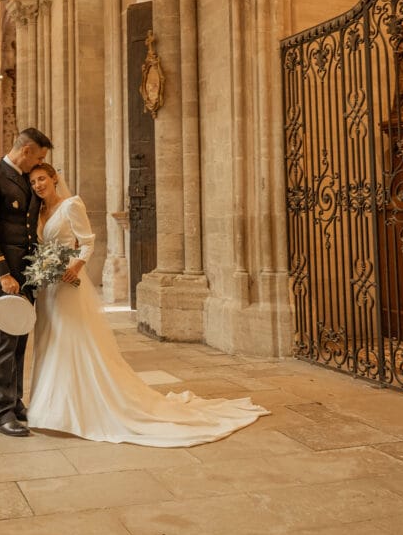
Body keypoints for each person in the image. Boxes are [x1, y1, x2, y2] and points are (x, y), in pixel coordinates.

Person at [26, 163, 270, 446]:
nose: (37, 185)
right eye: (33, 182)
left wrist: (76, 266)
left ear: (54, 178)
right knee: (50, 340)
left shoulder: (71, 205)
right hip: (48, 288)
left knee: (73, 341)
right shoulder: (40, 212)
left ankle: (74, 409)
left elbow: (87, 242)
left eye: (41, 179)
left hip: (69, 282)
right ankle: (50, 409)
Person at [0, 127, 52, 436]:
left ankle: (16, 402)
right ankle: (1, 411)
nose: (41, 163)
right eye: (40, 157)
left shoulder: (24, 179)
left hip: (27, 272)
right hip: (6, 275)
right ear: (27, 150)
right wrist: (2, 274)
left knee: (20, 339)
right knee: (5, 340)